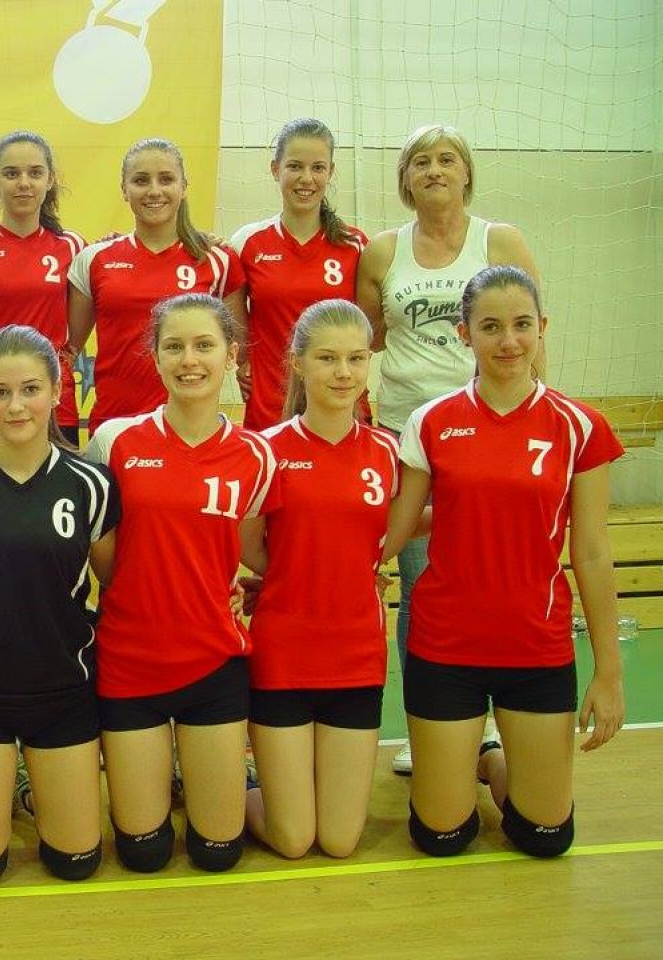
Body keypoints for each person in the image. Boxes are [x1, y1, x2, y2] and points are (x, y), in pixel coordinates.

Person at [385, 265, 623, 859]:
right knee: (441, 837)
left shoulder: (579, 426)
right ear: (464, 333)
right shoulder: (431, 422)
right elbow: (394, 532)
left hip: (536, 648)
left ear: (542, 328)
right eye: (490, 327)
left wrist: (609, 674)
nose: (508, 340)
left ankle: (488, 759)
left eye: (521, 324)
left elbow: (592, 552)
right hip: (445, 647)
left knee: (546, 838)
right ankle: (467, 762)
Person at [356, 123, 541, 773]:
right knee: (420, 583)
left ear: (466, 173)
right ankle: (427, 726)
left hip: (492, 434)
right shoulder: (382, 252)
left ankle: (489, 723)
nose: (434, 170)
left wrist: (536, 416)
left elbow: (529, 336)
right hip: (409, 437)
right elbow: (367, 340)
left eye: (446, 159)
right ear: (405, 179)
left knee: (490, 576)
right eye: (420, 162)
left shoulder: (501, 241)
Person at [85, 293, 279, 873]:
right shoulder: (115, 441)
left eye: (204, 345)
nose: (189, 360)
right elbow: (96, 551)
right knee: (143, 855)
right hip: (130, 663)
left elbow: (254, 550)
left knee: (217, 854)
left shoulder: (257, 455)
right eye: (174, 346)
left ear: (231, 355)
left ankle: (231, 778)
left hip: (213, 662)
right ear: (155, 356)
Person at [0, 325, 118, 885]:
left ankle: (29, 790)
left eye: (31, 389)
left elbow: (115, 579)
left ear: (57, 390)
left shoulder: (91, 483)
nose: (16, 406)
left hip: (63, 688)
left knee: (75, 863)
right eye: (1, 392)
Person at [239, 300, 397, 859]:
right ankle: (233, 786)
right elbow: (250, 544)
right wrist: (297, 571)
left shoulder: (389, 452)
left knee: (338, 841)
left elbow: (400, 527)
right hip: (283, 655)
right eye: (328, 358)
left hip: (356, 657)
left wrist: (351, 567)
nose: (344, 372)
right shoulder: (266, 451)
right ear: (298, 363)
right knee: (293, 839)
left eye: (357, 358)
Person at [69, 138, 245, 434]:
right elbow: (68, 350)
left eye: (166, 179)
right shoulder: (94, 259)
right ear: (124, 189)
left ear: (183, 186)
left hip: (192, 431)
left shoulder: (219, 259)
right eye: (141, 180)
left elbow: (241, 352)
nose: (154, 191)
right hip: (114, 428)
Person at [229, 118, 368, 431]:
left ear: (330, 172)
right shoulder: (247, 242)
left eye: (318, 168)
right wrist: (244, 364)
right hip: (270, 411)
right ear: (275, 169)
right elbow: (235, 325)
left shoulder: (355, 245)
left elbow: (371, 328)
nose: (306, 178)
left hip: (341, 409)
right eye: (295, 166)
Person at [0, 131, 84, 452]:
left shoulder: (73, 247)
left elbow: (74, 337)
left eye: (35, 173)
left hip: (55, 403)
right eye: (11, 174)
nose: (24, 183)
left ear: (50, 179)